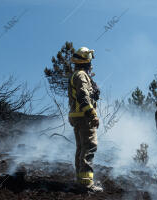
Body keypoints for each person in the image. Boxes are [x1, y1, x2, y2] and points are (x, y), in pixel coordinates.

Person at [68, 46, 102, 192]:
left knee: (81, 148)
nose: (91, 62)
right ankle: (87, 184)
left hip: (77, 116)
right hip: (84, 117)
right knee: (89, 147)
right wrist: (92, 114)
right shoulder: (81, 75)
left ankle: (81, 180)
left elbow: (82, 95)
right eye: (90, 59)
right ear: (86, 60)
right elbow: (82, 96)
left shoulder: (77, 74)